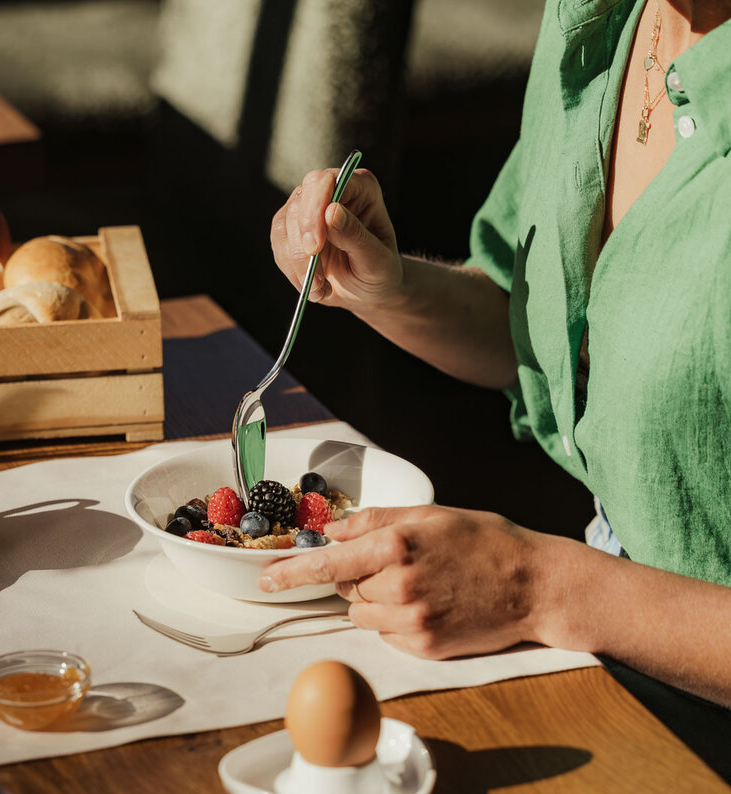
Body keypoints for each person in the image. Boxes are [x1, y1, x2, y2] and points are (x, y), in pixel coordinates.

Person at [262, 0, 731, 707]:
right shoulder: (603, 18)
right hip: (608, 662)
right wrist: (383, 289)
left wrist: (534, 586)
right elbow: (550, 335)